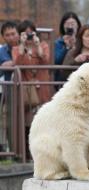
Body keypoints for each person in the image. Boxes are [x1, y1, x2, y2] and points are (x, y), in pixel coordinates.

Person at [12, 20, 52, 159]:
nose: (28, 36)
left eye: (31, 33)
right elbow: (16, 63)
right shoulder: (17, 48)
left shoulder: (43, 45)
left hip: (42, 89)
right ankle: (27, 155)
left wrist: (37, 45)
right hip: (27, 91)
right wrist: (22, 45)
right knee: (28, 122)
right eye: (25, 33)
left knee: (43, 121)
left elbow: (46, 60)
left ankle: (45, 154)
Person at [0, 20, 19, 153]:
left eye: (13, 33)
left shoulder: (27, 46)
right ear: (3, 37)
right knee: (6, 122)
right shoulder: (2, 51)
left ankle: (23, 151)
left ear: (18, 33)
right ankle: (8, 151)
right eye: (7, 35)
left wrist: (13, 63)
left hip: (26, 91)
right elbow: (4, 67)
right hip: (7, 91)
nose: (11, 37)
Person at [54, 12, 81, 87]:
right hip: (62, 81)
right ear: (62, 26)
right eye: (67, 23)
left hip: (79, 79)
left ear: (78, 25)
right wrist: (66, 47)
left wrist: (75, 45)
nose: (70, 26)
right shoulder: (58, 43)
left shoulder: (82, 41)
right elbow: (57, 61)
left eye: (72, 23)